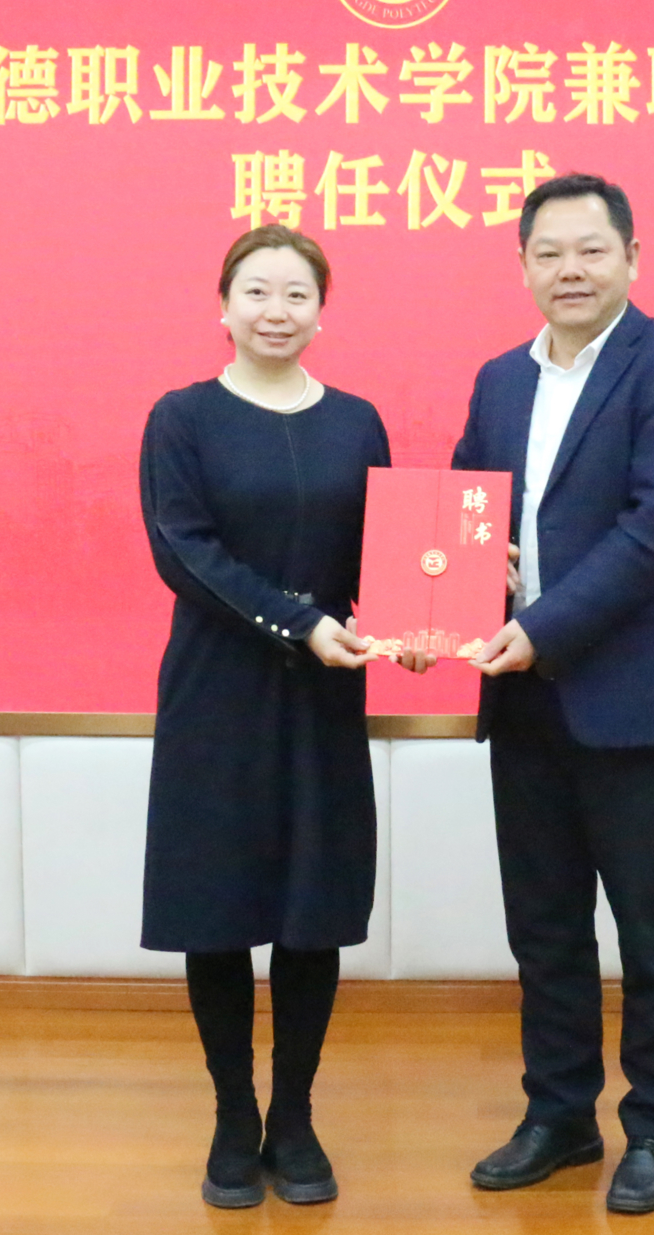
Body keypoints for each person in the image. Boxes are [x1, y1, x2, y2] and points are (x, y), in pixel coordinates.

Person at [138, 223, 429, 1209]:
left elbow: (387, 555)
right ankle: (234, 1116)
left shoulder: (357, 421)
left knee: (313, 911)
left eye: (296, 294)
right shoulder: (182, 418)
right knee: (216, 909)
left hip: (323, 692)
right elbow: (185, 551)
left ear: (320, 312)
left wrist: (420, 620)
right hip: (217, 692)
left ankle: (295, 1116)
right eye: (256, 292)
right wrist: (299, 621)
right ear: (222, 308)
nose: (276, 311)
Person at [452, 174, 654, 1215]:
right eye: (549, 253)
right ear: (523, 266)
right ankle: (560, 1114)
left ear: (631, 258)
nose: (570, 269)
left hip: (635, 701)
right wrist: (446, 592)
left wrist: (542, 627)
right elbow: (465, 513)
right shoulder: (498, 380)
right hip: (524, 705)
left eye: (591, 250)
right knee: (546, 931)